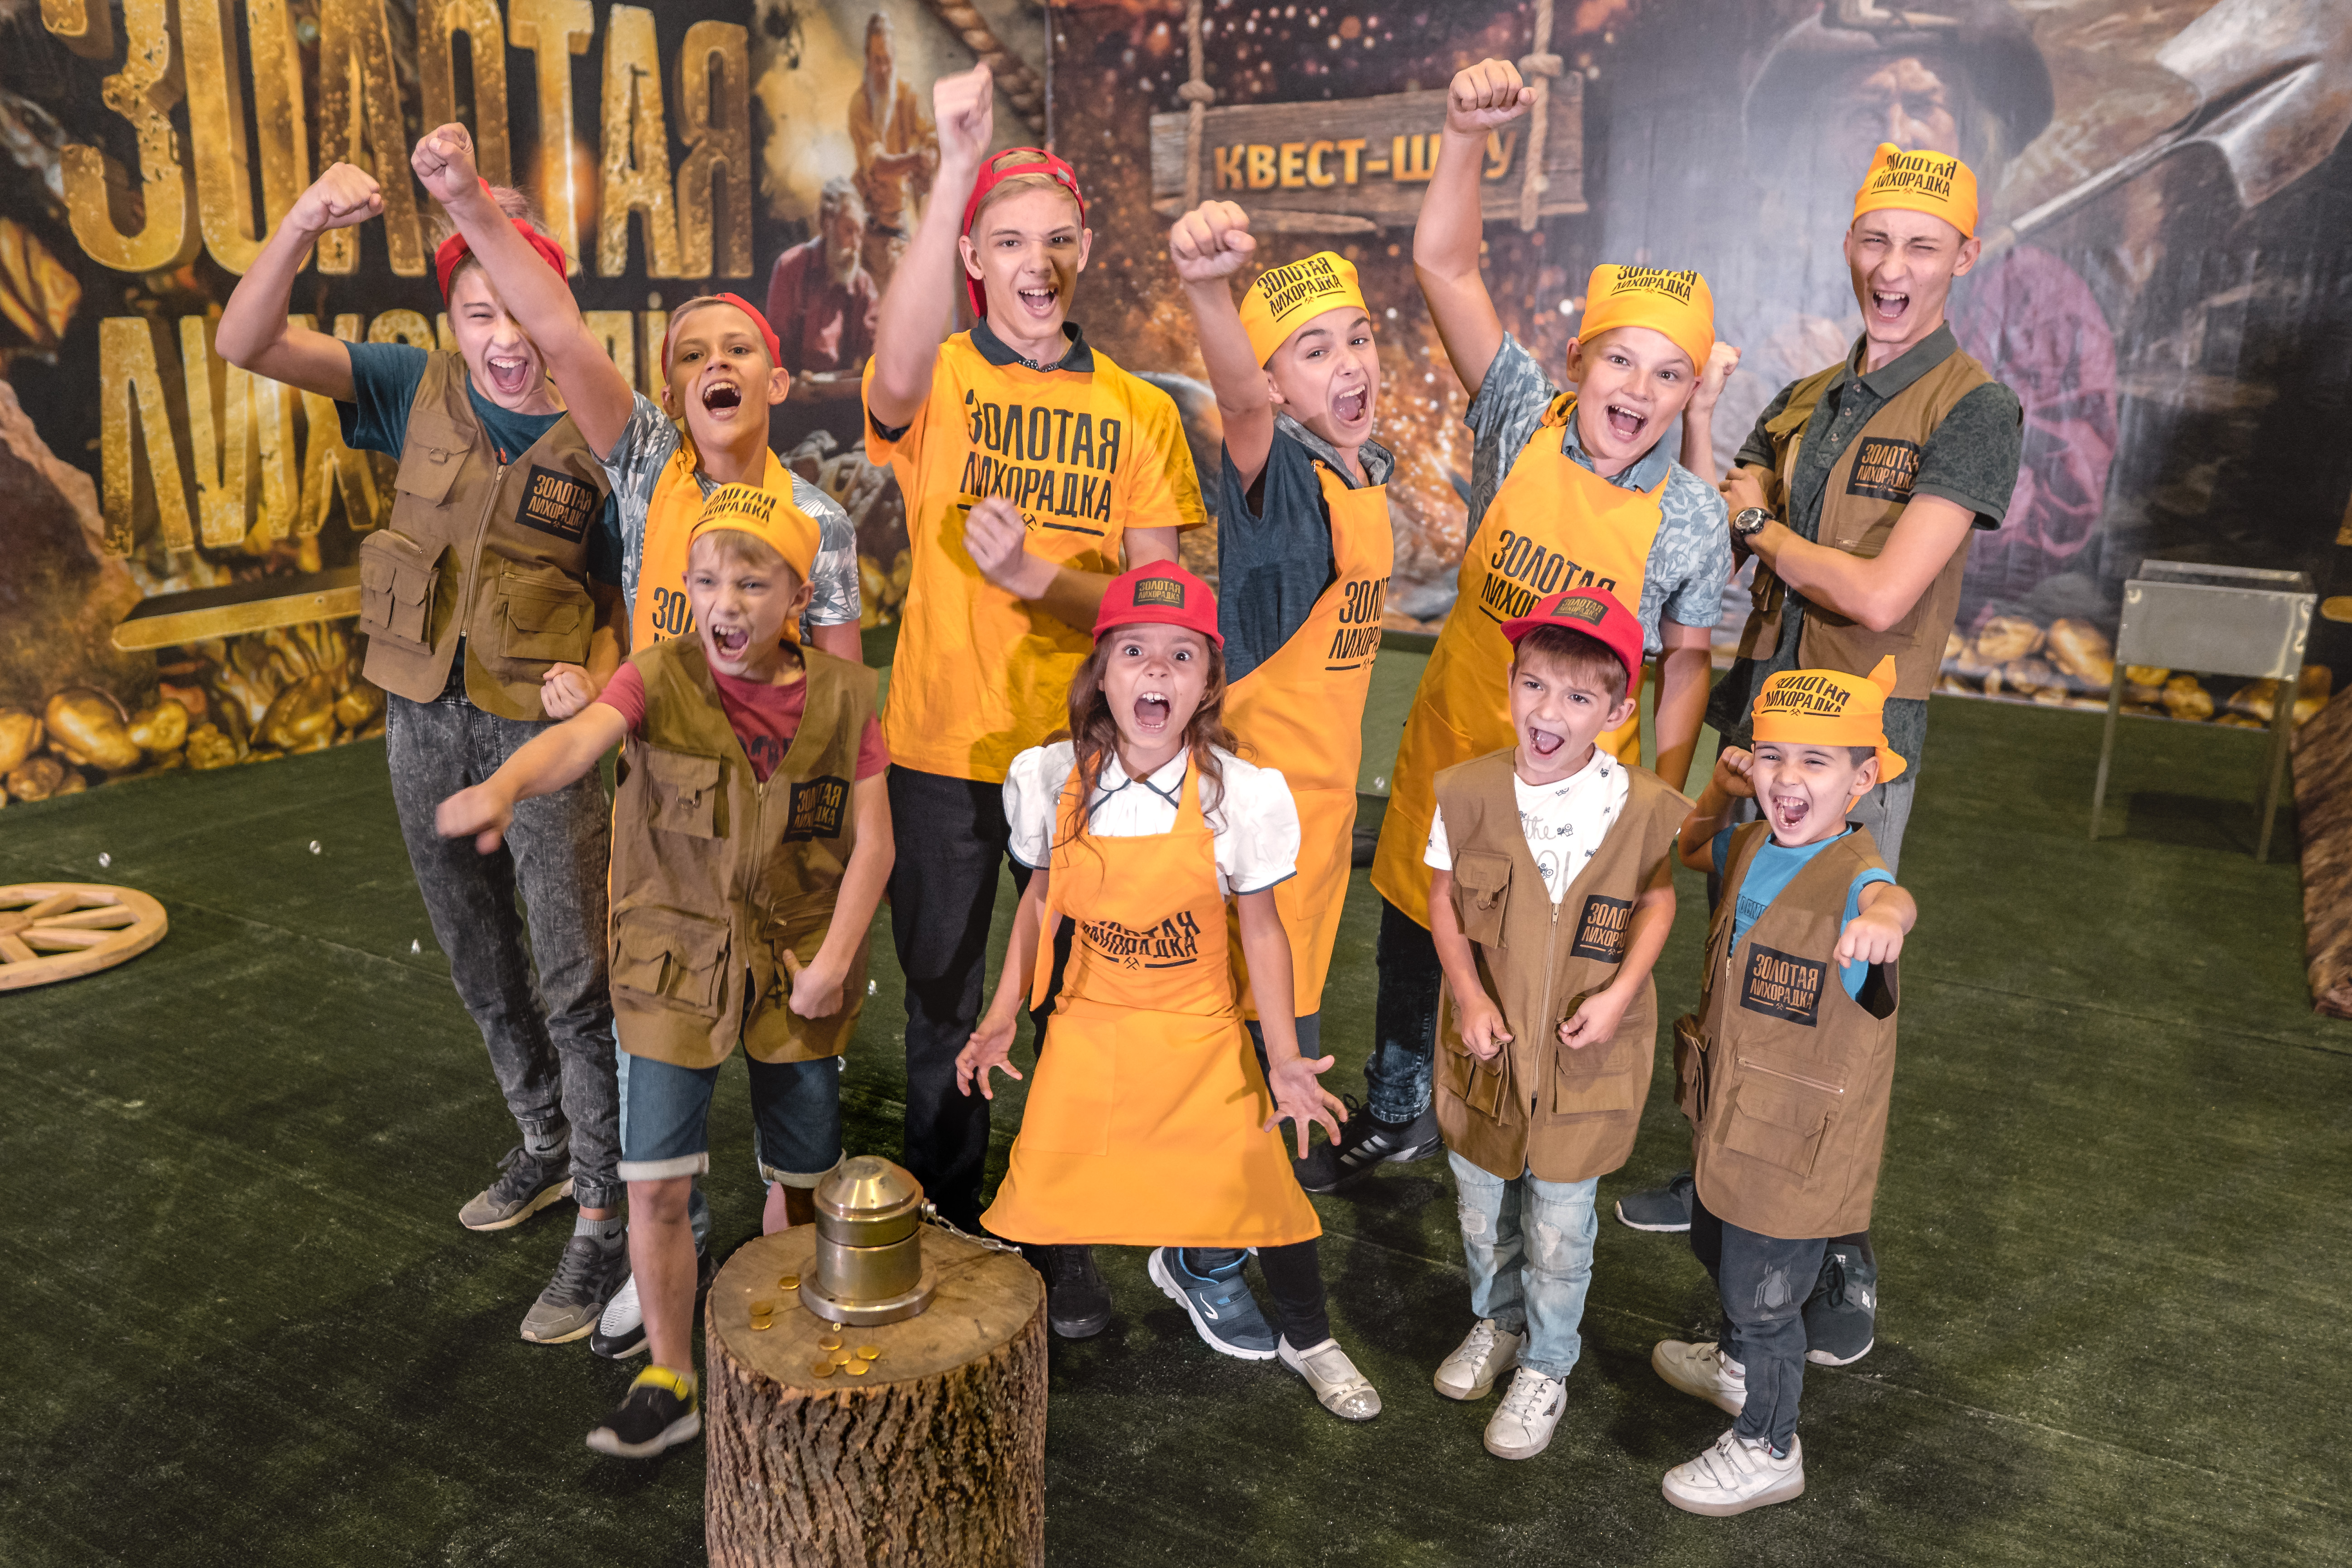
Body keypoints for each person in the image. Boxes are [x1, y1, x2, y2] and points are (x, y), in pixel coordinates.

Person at [406, 122, 868, 1357]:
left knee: (787, 1067)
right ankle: (661, 1244)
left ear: (775, 379)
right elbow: (559, 332)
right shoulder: (649, 465)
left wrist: (832, 884)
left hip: (776, 841)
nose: (715, 363)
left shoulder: (818, 522)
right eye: (690, 353)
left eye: (738, 348)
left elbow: (840, 711)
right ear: (668, 390)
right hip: (660, 830)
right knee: (652, 1045)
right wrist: (470, 206)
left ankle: (782, 1270)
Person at [1613, 144, 2022, 1374]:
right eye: (1873, 239)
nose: (1891, 266)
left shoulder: (1973, 408)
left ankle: (1837, 1246)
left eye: (1920, 245)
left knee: (1831, 989)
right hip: (1761, 718)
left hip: (1859, 747)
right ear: (1848, 245)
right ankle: (1718, 1166)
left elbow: (1884, 593)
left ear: (1963, 255)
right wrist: (1733, 482)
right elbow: (1725, 494)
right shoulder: (1804, 396)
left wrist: (1761, 524)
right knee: (1736, 948)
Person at [216, 161, 629, 1345]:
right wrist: (302, 220)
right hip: (421, 714)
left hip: (540, 730)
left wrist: (594, 684)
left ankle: (602, 1206)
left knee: (576, 967)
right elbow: (247, 342)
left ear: (557, 306)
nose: (505, 340)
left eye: (521, 309)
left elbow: (625, 594)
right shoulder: (411, 385)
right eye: (477, 312)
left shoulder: (604, 421)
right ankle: (542, 1135)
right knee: (473, 945)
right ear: (450, 317)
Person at [1335, 57, 1732, 1195]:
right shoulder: (1518, 415)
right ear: (1578, 361)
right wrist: (1464, 132)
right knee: (1414, 926)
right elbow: (1443, 265)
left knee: (1536, 965)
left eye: (1669, 376)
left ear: (1686, 396)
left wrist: (1658, 802)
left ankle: (1521, 1134)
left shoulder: (1691, 516)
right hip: (1458, 735)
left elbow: (1685, 663)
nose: (1638, 390)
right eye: (1621, 359)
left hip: (1578, 791)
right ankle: (1399, 1105)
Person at [436, 484, 893, 1460]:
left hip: (798, 972)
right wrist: (505, 785)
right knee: (654, 1187)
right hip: (671, 968)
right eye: (707, 582)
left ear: (798, 596)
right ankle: (671, 1379)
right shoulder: (654, 677)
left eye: (753, 583)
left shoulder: (848, 696)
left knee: (801, 1183)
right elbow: (578, 741)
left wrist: (834, 963)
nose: (726, 603)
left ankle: (790, 1354)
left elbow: (875, 844)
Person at [861, 64, 1204, 1334]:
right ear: (971, 258)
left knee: (1076, 998)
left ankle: (1055, 1227)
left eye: (1056, 239)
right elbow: (892, 371)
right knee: (944, 998)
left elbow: (1160, 613)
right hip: (942, 750)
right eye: (1006, 242)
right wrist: (956, 160)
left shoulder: (1136, 411)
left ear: (1086, 250)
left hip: (1080, 760)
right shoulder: (942, 376)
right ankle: (948, 1213)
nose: (1035, 263)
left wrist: (1039, 581)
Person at [957, 563, 1380, 1422]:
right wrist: (1000, 1016)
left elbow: (1263, 929)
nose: (1157, 669)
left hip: (1199, 1030)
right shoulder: (1050, 778)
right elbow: (1038, 905)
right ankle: (1011, 1340)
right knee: (1039, 1192)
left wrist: (1285, 1059)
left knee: (1266, 1190)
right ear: (1100, 672)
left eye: (1181, 656)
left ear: (1208, 683)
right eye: (1134, 651)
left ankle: (1310, 1337)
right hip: (1089, 1025)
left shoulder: (1239, 793)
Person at [1418, 586, 1684, 1461]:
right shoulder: (1466, 792)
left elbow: (1657, 900)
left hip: (1583, 1059)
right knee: (1481, 1207)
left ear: (1617, 713)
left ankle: (1548, 1364)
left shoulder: (1642, 804)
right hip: (1488, 1054)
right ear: (1511, 684)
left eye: (1577, 697)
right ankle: (1496, 1324)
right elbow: (1443, 900)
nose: (1549, 712)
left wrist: (1620, 994)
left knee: (1560, 1227)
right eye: (1534, 685)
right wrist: (1469, 995)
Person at [1649, 659, 1916, 1515]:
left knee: (1765, 1303)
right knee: (1715, 1247)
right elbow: (1691, 847)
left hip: (1793, 1148)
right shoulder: (1755, 840)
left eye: (1815, 761)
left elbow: (1893, 899)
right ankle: (1736, 1367)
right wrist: (1722, 792)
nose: (1786, 779)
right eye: (1771, 756)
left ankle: (1769, 1447)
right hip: (1731, 1125)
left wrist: (1884, 925)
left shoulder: (1858, 877)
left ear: (1862, 780)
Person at [1166, 206, 1393, 1212]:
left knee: (1292, 983)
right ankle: (1234, 1187)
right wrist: (1208, 290)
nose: (1350, 363)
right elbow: (1237, 406)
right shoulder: (1279, 474)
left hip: (1324, 798)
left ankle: (1268, 1140)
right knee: (1252, 993)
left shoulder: (1359, 473)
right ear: (1273, 384)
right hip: (1261, 799)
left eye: (1360, 338)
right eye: (1315, 350)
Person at [764, 177, 881, 439]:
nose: (856, 245)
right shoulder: (791, 268)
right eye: (849, 231)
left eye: (860, 234)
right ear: (827, 224)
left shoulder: (863, 285)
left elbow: (876, 357)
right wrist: (791, 386)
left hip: (841, 407)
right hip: (793, 402)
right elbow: (772, 350)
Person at [850, 12, 939, 293]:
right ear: (868, 60)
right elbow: (878, 165)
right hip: (868, 227)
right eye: (877, 60)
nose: (883, 68)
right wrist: (915, 160)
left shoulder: (908, 96)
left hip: (902, 226)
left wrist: (929, 159)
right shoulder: (860, 105)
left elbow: (934, 141)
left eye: (888, 60)